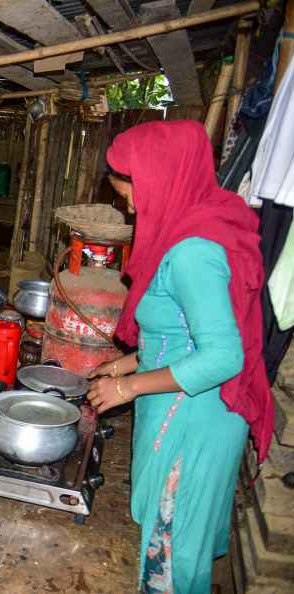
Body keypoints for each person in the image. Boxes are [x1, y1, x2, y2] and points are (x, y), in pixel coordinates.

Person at [86, 120, 275, 593]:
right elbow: (186, 329)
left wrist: (126, 387)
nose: (127, 207)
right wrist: (127, 363)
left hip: (196, 415)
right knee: (172, 539)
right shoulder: (191, 223)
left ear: (159, 178)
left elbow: (222, 357)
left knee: (173, 555)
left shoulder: (193, 252)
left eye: (128, 192)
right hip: (180, 402)